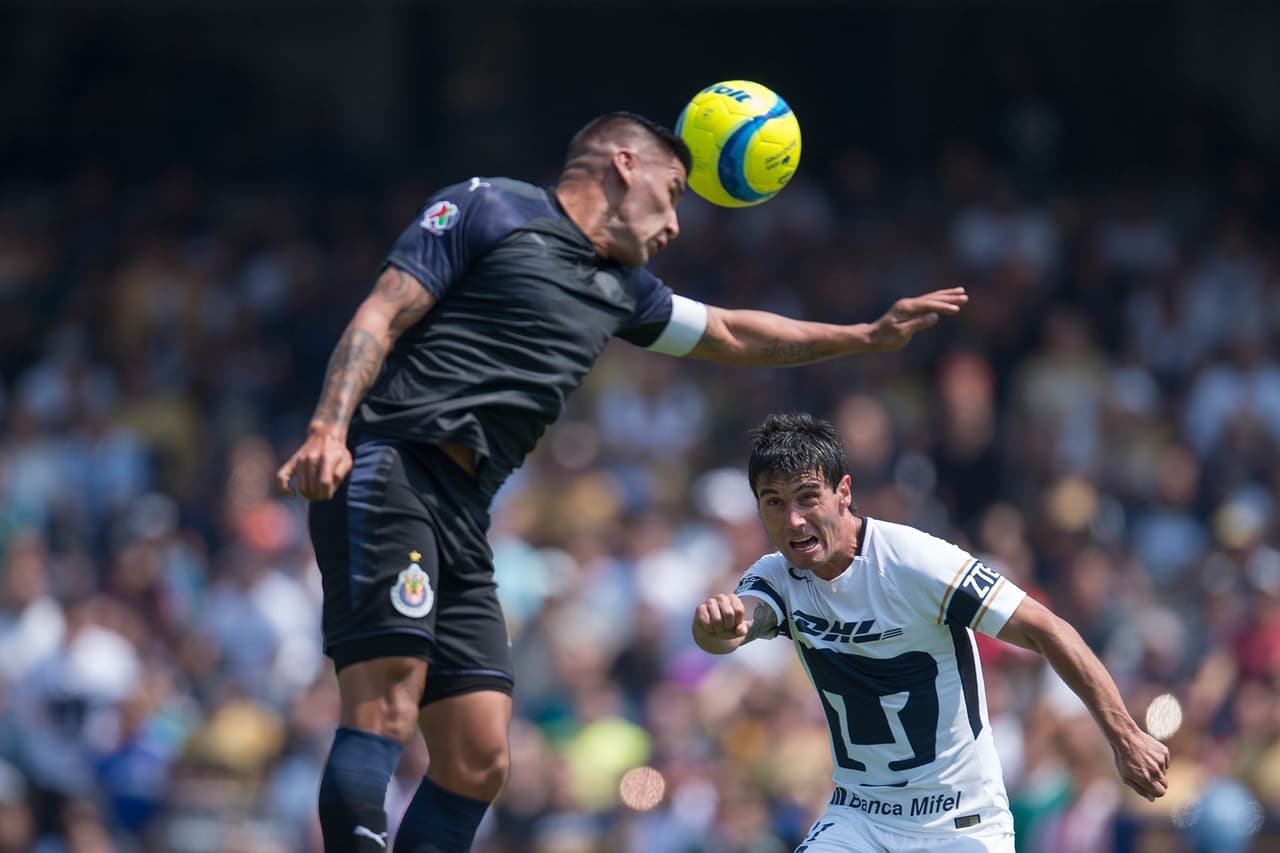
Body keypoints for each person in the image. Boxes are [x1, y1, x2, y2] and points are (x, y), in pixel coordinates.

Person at [275, 111, 968, 853]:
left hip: (464, 513)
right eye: (673, 193)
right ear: (625, 166)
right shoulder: (490, 207)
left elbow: (734, 332)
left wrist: (863, 336)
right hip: (394, 465)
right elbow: (382, 311)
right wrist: (327, 427)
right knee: (386, 703)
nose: (675, 224)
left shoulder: (619, 288)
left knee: (479, 758)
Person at [693, 413, 1169, 853]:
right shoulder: (776, 576)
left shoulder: (913, 562)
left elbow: (1046, 628)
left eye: (807, 497)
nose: (793, 519)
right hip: (860, 818)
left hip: (960, 824)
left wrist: (1124, 736)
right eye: (773, 503)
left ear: (843, 491)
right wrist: (716, 626)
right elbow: (741, 623)